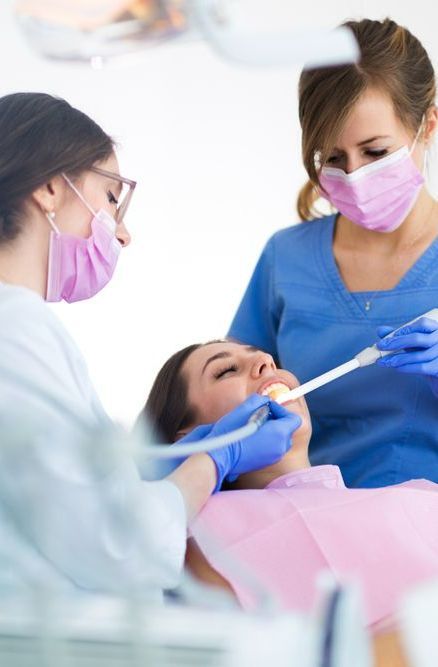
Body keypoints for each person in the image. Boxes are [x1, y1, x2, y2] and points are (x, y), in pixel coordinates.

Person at [0, 92, 301, 597]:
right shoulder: (18, 331)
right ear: (51, 187)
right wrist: (214, 459)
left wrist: (141, 478)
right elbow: (114, 546)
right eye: (111, 198)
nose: (121, 234)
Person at [228, 17, 438, 489]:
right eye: (333, 158)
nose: (356, 176)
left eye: (376, 152)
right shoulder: (287, 258)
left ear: (428, 124)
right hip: (303, 529)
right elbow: (226, 404)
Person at [143, 339, 438, 629]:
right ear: (186, 439)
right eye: (227, 370)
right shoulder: (182, 540)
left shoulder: (417, 500)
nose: (266, 363)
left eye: (271, 360)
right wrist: (208, 460)